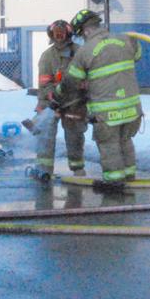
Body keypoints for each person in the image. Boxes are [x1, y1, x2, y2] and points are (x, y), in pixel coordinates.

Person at [66, 8, 142, 191]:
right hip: (132, 108)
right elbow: (137, 55)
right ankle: (130, 176)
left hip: (107, 112)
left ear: (85, 31)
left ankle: (114, 182)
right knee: (125, 141)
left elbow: (72, 82)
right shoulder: (125, 40)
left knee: (109, 145)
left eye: (80, 35)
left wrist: (60, 93)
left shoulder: (85, 51)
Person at [32, 19, 87, 182]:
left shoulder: (80, 53)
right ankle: (44, 169)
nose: (59, 37)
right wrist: (53, 99)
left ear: (69, 34)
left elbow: (88, 77)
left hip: (75, 102)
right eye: (56, 34)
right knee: (45, 135)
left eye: (62, 34)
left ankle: (78, 168)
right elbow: (44, 84)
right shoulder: (47, 56)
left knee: (75, 135)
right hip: (50, 102)